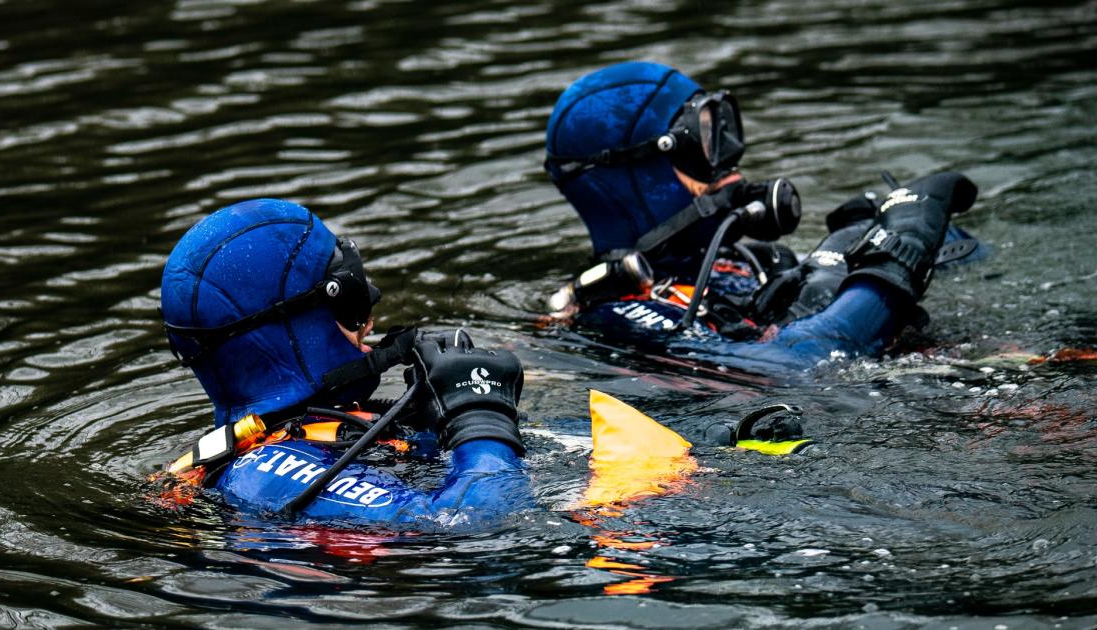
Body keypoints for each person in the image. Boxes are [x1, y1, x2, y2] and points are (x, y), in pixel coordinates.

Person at [543, 61, 979, 374]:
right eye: (706, 142)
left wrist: (868, 238)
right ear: (640, 176)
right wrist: (899, 253)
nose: (731, 166)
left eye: (725, 130)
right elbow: (795, 366)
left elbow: (972, 256)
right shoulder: (616, 313)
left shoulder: (746, 262)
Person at [158, 198, 533, 526]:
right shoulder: (266, 472)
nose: (369, 315)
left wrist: (446, 405)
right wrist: (480, 415)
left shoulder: (318, 431)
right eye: (352, 300)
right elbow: (480, 522)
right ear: (295, 330)